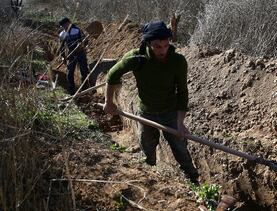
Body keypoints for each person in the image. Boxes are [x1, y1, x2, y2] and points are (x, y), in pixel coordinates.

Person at [103, 21, 199, 184]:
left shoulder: (178, 61)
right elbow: (112, 75)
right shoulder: (135, 59)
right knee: (147, 149)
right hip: (146, 113)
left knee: (181, 149)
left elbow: (182, 92)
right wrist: (109, 102)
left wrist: (180, 122)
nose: (162, 50)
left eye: (165, 45)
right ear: (147, 43)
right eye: (157, 46)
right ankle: (151, 180)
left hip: (170, 112)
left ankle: (192, 179)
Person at [58, 17, 90, 95]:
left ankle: (84, 89)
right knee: (69, 72)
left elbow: (85, 40)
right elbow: (61, 47)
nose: (64, 27)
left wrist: (82, 45)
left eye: (65, 25)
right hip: (70, 54)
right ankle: (71, 90)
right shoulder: (62, 34)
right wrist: (63, 56)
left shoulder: (77, 30)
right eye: (63, 26)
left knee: (84, 70)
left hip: (80, 53)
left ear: (69, 23)